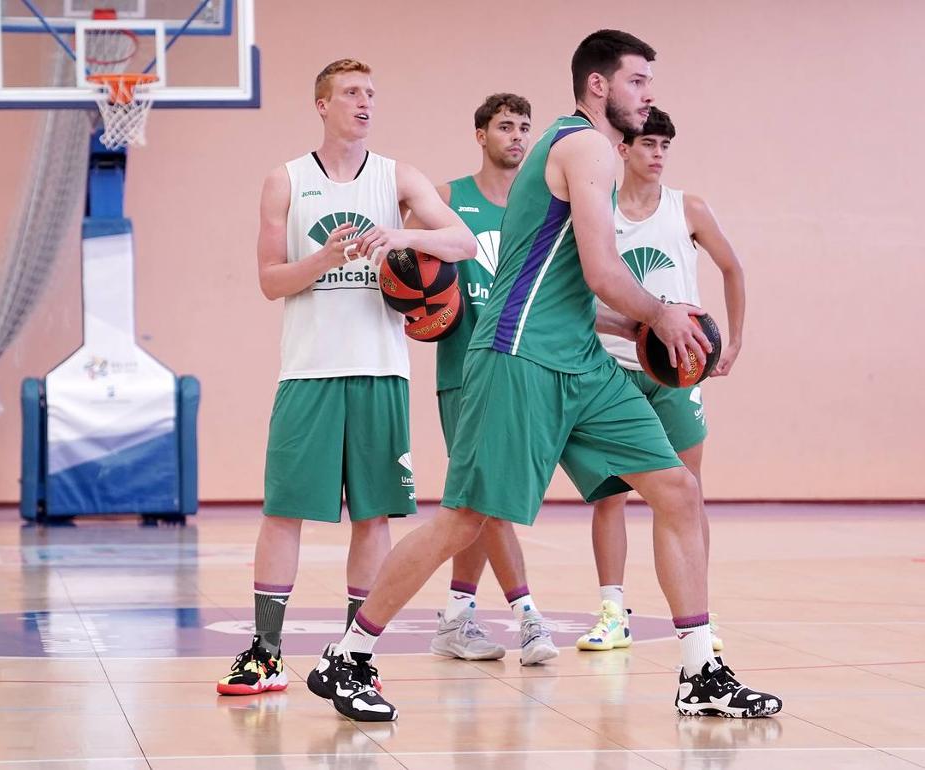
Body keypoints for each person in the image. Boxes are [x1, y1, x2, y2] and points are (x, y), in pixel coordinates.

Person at [305, 31, 782, 722]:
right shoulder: (583, 147)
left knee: (677, 488)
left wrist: (632, 326)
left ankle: (699, 670)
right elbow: (603, 272)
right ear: (598, 86)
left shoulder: (591, 155)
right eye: (638, 80)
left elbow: (570, 288)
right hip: (517, 360)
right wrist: (663, 315)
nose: (650, 93)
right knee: (466, 520)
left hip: (579, 360)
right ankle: (347, 657)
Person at [217, 58, 476, 696]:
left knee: (373, 517)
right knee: (283, 512)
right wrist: (324, 258)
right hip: (308, 372)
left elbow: (464, 241)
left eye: (371, 93)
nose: (364, 103)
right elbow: (270, 281)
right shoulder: (286, 180)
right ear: (322, 104)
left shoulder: (398, 177)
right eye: (352, 93)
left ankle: (352, 651)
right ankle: (266, 652)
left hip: (382, 371)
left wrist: (400, 238)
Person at [577, 107, 745, 653]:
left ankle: (701, 609)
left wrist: (735, 340)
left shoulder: (688, 209)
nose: (657, 154)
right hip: (614, 366)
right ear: (622, 150)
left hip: (677, 372)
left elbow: (732, 268)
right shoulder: (598, 210)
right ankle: (611, 611)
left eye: (664, 146)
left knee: (687, 493)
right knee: (611, 498)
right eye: (647, 143)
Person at [417, 93, 558, 666]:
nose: (518, 137)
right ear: (481, 135)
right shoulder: (451, 198)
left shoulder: (538, 205)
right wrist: (418, 305)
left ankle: (456, 617)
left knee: (475, 499)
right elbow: (404, 274)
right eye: (506, 126)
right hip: (465, 369)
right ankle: (528, 617)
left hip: (520, 368)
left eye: (526, 127)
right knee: (491, 497)